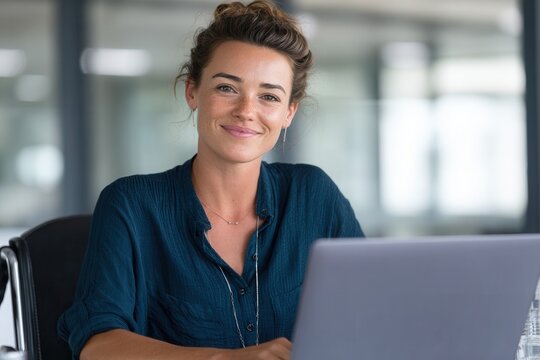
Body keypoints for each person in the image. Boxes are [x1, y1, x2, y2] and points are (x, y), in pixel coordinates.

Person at [57, 1, 364, 359]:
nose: (247, 110)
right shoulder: (131, 204)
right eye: (227, 88)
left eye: (269, 96)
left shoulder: (314, 196)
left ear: (288, 113)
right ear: (192, 91)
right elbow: (98, 346)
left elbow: (373, 310)